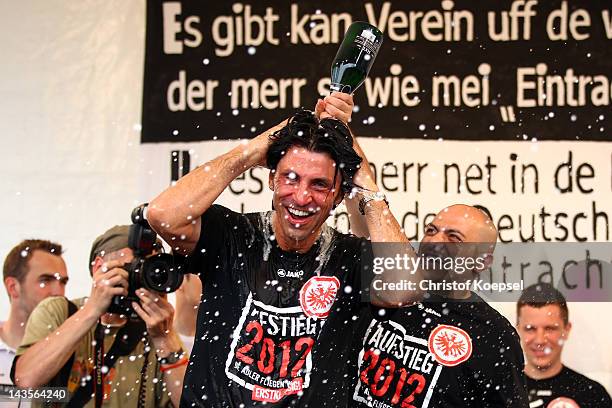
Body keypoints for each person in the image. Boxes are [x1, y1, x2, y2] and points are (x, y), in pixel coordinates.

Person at [146, 93, 413, 406]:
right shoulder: (231, 235)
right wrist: (255, 149)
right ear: (271, 178)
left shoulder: (348, 257)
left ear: (338, 196)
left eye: (319, 185)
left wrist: (363, 178)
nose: (301, 197)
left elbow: (402, 290)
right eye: (290, 177)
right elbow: (162, 215)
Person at [320, 205, 530, 407]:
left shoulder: (494, 334)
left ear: (482, 261)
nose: (434, 241)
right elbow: (362, 225)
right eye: (431, 230)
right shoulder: (383, 287)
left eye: (453, 238)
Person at [12, 226, 186, 407]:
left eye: (147, 270)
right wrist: (92, 310)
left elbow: (193, 402)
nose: (139, 277)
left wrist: (166, 339)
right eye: (133, 267)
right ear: (98, 268)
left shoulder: (155, 330)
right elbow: (25, 379)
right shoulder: (59, 311)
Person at [517, 283, 611, 407]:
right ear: (518, 330)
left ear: (566, 330)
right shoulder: (500, 391)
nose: (540, 340)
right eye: (530, 329)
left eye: (550, 328)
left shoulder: (592, 394)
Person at [1, 239, 68, 393]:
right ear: (13, 287)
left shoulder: (71, 349)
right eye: (46, 280)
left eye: (63, 282)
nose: (58, 292)